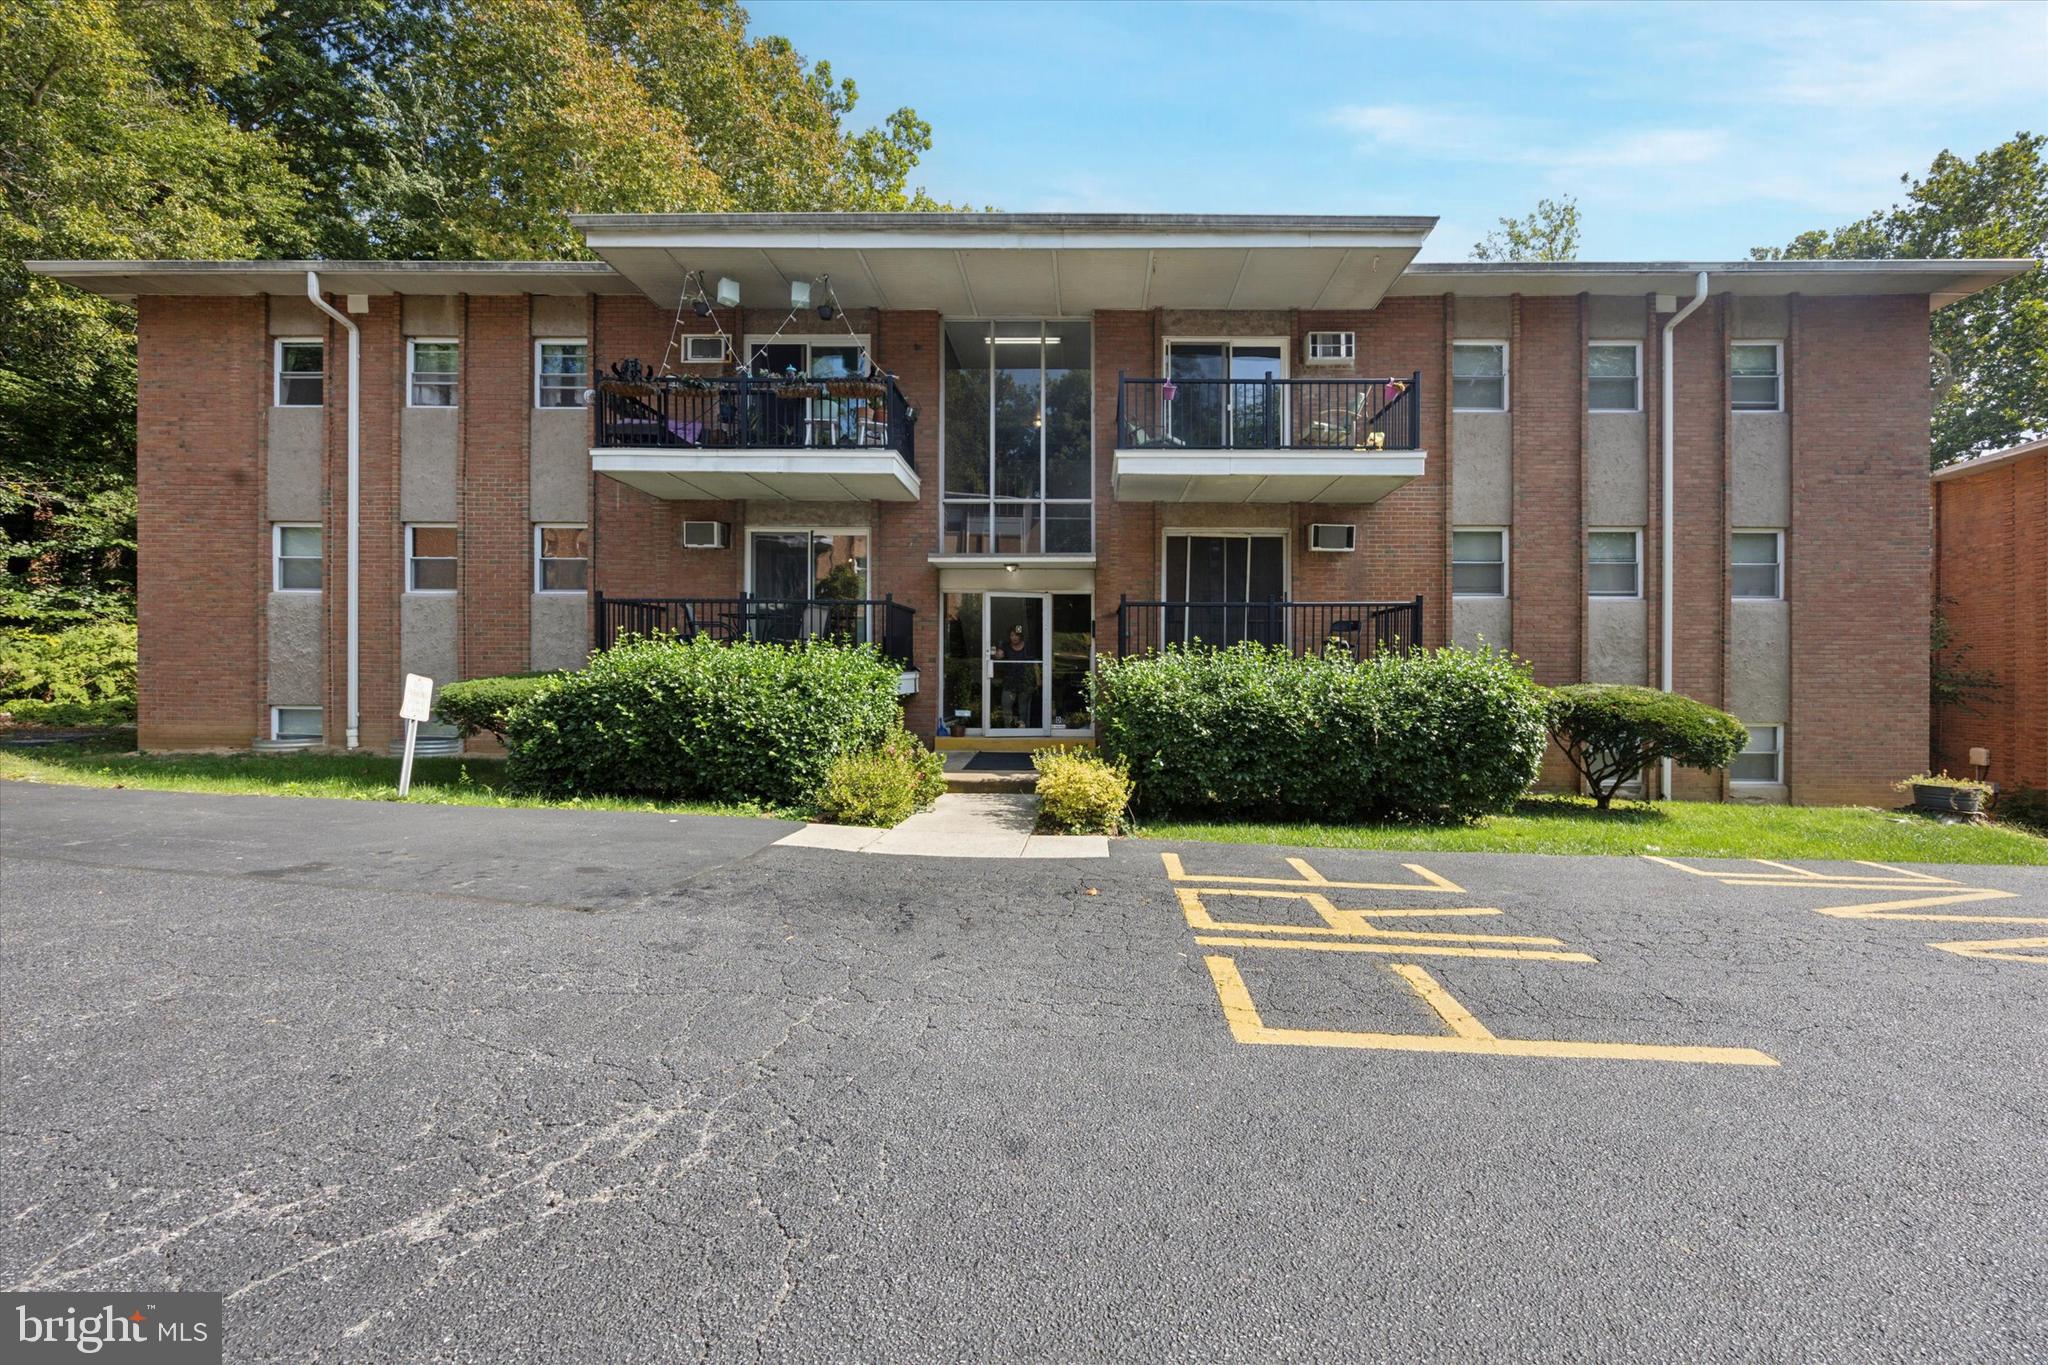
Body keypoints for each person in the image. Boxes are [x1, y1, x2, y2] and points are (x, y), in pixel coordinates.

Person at [992, 624, 1038, 728]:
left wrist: (1038, 680)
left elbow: (1035, 664)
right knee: (1006, 705)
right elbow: (999, 655)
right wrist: (997, 654)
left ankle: (1023, 730)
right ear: (1009, 636)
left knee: (1023, 709)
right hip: (1010, 683)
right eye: (1012, 635)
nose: (1014, 637)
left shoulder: (1028, 647)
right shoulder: (1006, 646)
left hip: (1025, 683)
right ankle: (1009, 729)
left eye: (1017, 635)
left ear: (1021, 636)